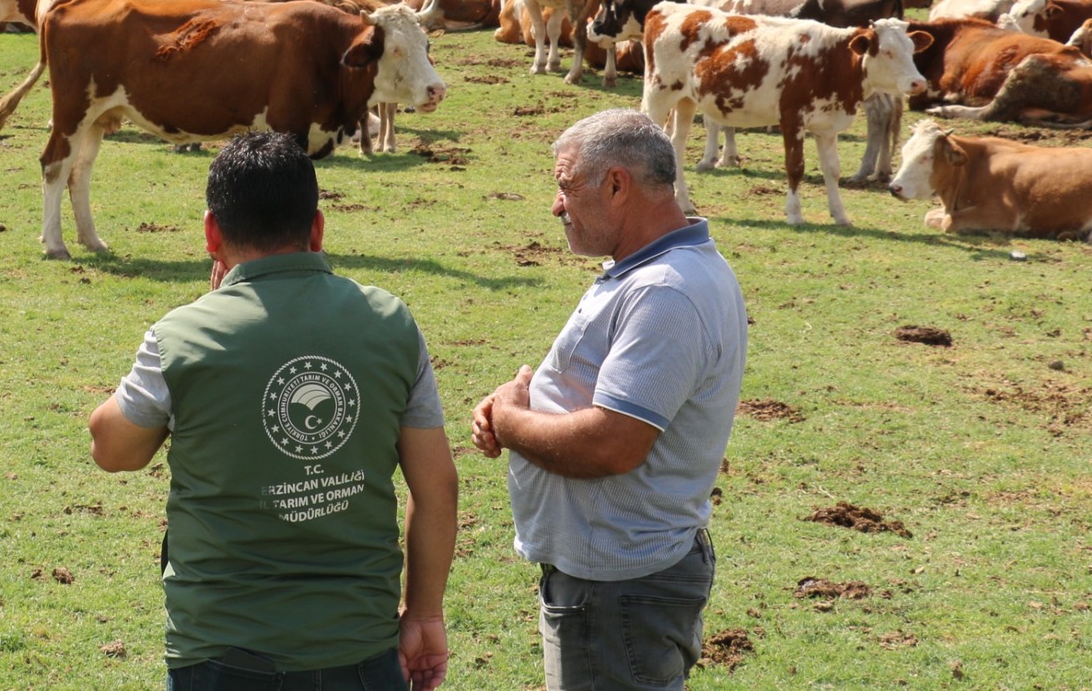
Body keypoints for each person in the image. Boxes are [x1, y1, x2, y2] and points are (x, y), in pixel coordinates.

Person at [87, 131, 459, 691]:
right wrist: (425, 614)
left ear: (212, 233)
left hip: (221, 651)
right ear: (317, 228)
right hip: (361, 647)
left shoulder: (183, 336)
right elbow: (438, 489)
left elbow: (111, 450)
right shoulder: (391, 322)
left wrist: (202, 315)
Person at [471, 109, 748, 691]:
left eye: (565, 184)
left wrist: (511, 418)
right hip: (617, 580)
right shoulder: (649, 271)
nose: (556, 204)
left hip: (618, 589)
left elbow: (612, 445)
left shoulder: (664, 292)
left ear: (617, 185)